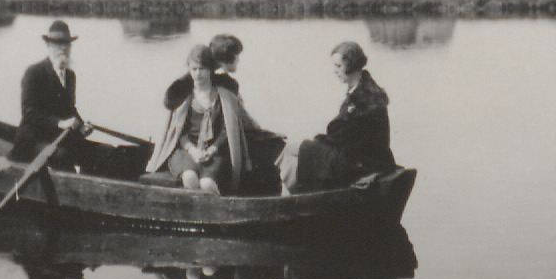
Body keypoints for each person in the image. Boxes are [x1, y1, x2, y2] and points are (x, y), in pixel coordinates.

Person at [277, 42, 395, 194]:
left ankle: (294, 198)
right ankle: (294, 194)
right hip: (363, 156)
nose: (334, 71)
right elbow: (345, 133)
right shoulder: (366, 88)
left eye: (338, 66)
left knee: (293, 149)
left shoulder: (363, 97)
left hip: (359, 162)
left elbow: (343, 134)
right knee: (297, 150)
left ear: (351, 66)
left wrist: (316, 142)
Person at [146, 44, 250, 195]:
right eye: (194, 69)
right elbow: (178, 132)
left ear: (210, 70)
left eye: (202, 69)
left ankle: (218, 211)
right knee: (189, 177)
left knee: (207, 184)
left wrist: (212, 150)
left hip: (215, 152)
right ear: (189, 69)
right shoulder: (185, 97)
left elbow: (226, 131)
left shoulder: (223, 97)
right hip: (186, 151)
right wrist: (193, 151)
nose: (198, 74)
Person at [6, 20, 95, 169]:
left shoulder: (70, 75)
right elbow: (29, 114)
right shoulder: (34, 73)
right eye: (57, 43)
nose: (63, 48)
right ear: (48, 46)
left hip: (58, 139)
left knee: (98, 153)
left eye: (66, 43)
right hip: (31, 141)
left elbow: (70, 109)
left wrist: (81, 126)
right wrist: (59, 123)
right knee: (63, 156)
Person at [163, 34, 243, 110]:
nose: (238, 60)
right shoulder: (204, 73)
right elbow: (169, 101)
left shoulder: (219, 76)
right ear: (227, 58)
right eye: (237, 56)